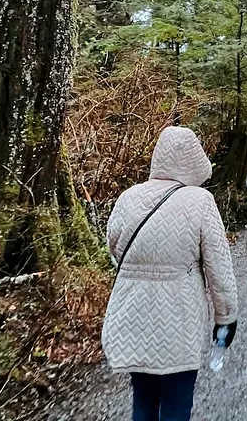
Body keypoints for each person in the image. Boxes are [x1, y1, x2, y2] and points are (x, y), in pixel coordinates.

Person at [102, 126, 239, 421]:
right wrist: (225, 317)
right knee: (177, 403)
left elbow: (113, 246)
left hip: (132, 313)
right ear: (193, 158)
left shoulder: (129, 197)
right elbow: (219, 267)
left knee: (143, 399)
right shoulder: (201, 201)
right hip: (180, 316)